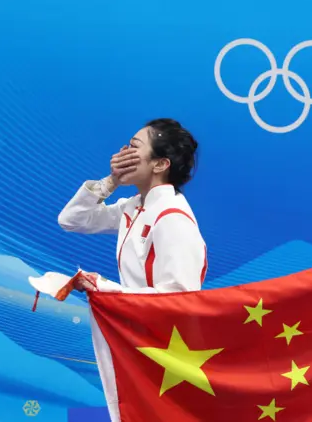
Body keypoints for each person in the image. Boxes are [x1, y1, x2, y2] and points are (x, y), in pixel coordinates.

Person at [57, 118, 207, 421]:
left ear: (160, 164)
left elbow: (179, 300)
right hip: (138, 340)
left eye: (134, 148)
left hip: (168, 355)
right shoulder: (133, 206)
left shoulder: (173, 219)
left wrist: (105, 288)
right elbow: (71, 220)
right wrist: (111, 181)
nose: (123, 153)